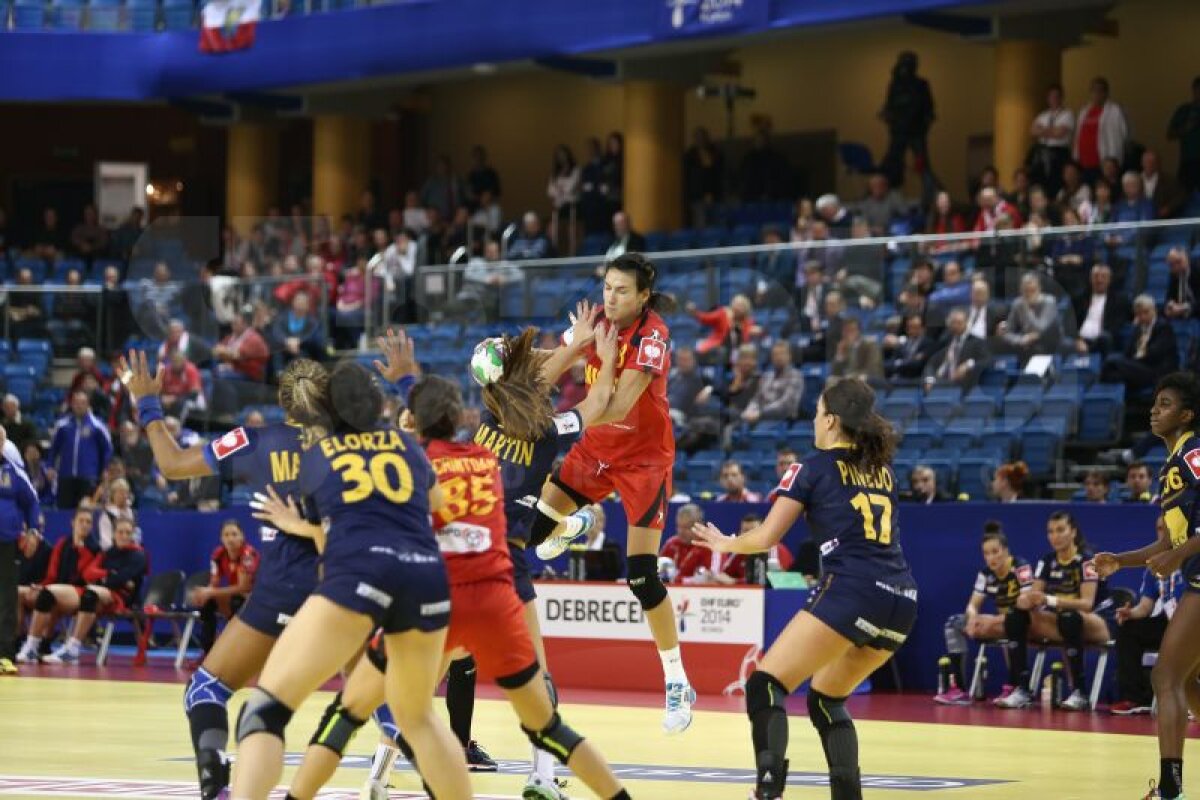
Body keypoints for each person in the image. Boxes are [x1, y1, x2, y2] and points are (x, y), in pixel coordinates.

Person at [276, 373, 630, 800]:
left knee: (352, 712)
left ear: (413, 421)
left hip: (434, 602)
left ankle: (362, 781)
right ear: (459, 416)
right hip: (497, 597)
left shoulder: (412, 459)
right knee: (549, 727)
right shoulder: (487, 456)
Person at [350, 320, 621, 800]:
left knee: (420, 683)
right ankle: (542, 775)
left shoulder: (480, 430)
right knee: (536, 676)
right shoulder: (547, 432)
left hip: (458, 562)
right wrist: (600, 352)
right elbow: (598, 404)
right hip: (505, 566)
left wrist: (572, 346)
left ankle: (377, 772)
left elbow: (515, 384)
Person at [231, 363, 472, 800]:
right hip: (426, 577)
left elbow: (325, 541)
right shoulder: (407, 446)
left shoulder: (318, 459)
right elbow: (439, 505)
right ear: (379, 404)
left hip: (359, 574)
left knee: (263, 711)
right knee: (417, 720)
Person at [691, 377, 915, 799]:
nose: (813, 421)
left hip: (854, 590)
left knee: (766, 685)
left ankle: (769, 789)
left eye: (816, 413)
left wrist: (726, 543)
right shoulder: (882, 470)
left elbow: (765, 538)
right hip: (901, 601)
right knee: (827, 700)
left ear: (830, 420)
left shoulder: (811, 467)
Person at [119, 352, 329, 800]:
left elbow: (173, 466)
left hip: (279, 595)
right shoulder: (355, 445)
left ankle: (216, 790)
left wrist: (148, 403)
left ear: (283, 401)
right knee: (387, 701)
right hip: (344, 590)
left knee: (207, 691)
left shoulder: (254, 441)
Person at [531, 252, 697, 734]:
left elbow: (618, 402)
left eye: (622, 290)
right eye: (607, 287)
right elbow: (558, 358)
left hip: (644, 460)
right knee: (528, 539)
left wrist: (559, 425)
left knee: (642, 578)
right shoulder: (597, 319)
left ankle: (676, 679)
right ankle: (572, 524)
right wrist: (512, 354)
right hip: (594, 450)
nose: (611, 296)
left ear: (643, 296)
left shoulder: (654, 335)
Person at [1094, 372, 1200, 800]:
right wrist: (1121, 561)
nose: (1155, 410)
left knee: (1165, 676)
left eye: (1166, 404)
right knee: (1187, 681)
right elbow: (1169, 539)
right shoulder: (1173, 462)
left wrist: (1177, 556)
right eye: (1155, 403)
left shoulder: (1194, 451)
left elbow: (1177, 547)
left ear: (1187, 414)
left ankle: (1170, 789)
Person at [1019, 511, 1108, 712]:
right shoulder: (1047, 561)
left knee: (1069, 618)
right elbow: (1035, 595)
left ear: (1073, 532)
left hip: (1098, 620)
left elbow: (1087, 603)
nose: (1055, 536)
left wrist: (1048, 599)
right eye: (1050, 531)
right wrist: (1025, 600)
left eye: (1060, 530)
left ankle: (1080, 692)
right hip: (1066, 620)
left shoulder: (1088, 561)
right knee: (1017, 618)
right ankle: (1020, 688)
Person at [938, 523, 1035, 707]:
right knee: (953, 624)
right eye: (986, 553)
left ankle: (1017, 686)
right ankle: (959, 690)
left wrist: (993, 620)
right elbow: (973, 605)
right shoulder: (985, 574)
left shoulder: (1021, 568)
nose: (991, 557)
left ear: (1006, 550)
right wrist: (973, 618)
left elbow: (1027, 604)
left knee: (1014, 621)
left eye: (995, 551)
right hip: (1000, 623)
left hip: (1025, 622)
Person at [39, 517, 147, 665]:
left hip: (122, 599)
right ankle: (33, 646)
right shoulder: (107, 553)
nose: (124, 536)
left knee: (90, 594)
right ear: (114, 534)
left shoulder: (139, 555)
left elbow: (119, 580)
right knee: (48, 593)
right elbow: (88, 573)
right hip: (100, 592)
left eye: (127, 532)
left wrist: (107, 578)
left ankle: (73, 649)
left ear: (132, 535)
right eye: (120, 532)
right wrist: (109, 574)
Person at [1110, 523, 1182, 716]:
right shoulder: (1155, 565)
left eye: (1167, 527)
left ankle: (1189, 698)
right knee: (1129, 629)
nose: (1163, 532)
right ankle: (1134, 698)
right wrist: (1130, 613)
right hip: (1169, 622)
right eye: (1159, 528)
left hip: (1190, 621)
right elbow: (1145, 606)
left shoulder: (1191, 559)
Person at [0, 425, 39, 676]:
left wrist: (33, 530)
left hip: (6, 542)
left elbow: (32, 501)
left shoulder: (12, 470)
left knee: (6, 598)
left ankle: (4, 654)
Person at [192, 520, 260, 657]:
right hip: (238, 597)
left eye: (234, 534)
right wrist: (205, 594)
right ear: (221, 538)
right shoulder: (218, 554)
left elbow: (244, 587)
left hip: (257, 598)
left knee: (236, 602)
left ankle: (239, 654)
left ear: (242, 536)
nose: (230, 538)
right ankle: (207, 654)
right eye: (226, 535)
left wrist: (211, 591)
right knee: (207, 603)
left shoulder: (247, 554)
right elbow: (214, 582)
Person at [879, 50, 938, 203]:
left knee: (923, 166)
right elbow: (889, 106)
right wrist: (887, 115)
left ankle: (930, 196)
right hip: (899, 132)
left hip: (915, 132)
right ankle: (888, 196)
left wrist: (923, 125)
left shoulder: (921, 85)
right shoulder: (895, 85)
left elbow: (929, 110)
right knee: (893, 164)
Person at [47, 391, 113, 510]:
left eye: (82, 403)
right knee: (64, 511)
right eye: (76, 403)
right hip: (65, 476)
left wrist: (105, 468)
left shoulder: (97, 426)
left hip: (88, 476)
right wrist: (50, 466)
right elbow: (53, 448)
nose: (79, 406)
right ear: (72, 405)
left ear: (88, 405)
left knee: (87, 511)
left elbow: (107, 449)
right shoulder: (62, 425)